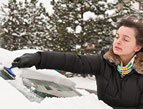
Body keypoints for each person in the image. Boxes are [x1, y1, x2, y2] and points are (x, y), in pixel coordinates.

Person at [12, 15, 143, 109]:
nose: (118, 41)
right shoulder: (105, 62)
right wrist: (39, 58)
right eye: (117, 36)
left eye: (125, 39)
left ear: (137, 47)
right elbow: (74, 62)